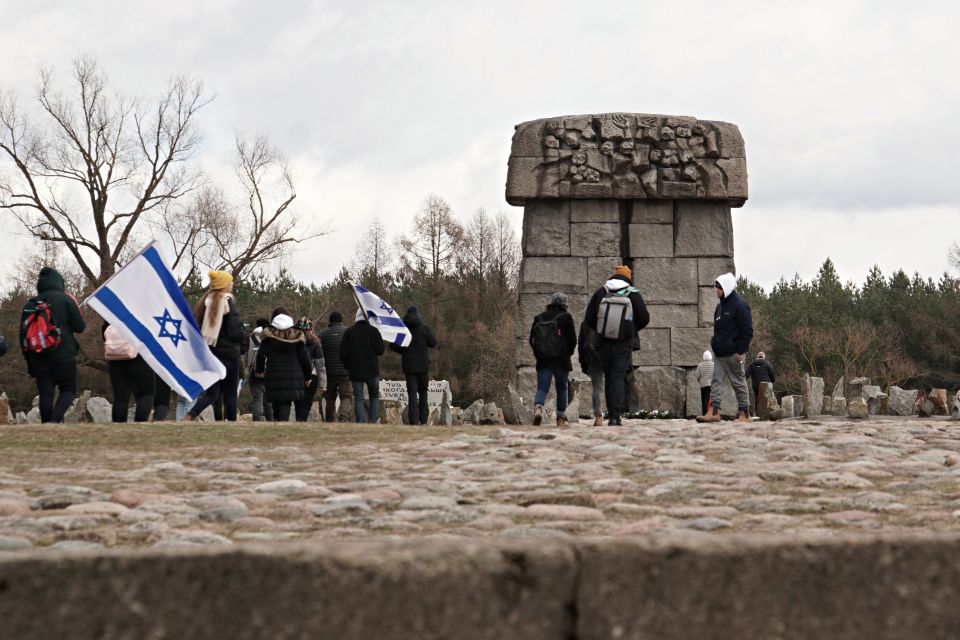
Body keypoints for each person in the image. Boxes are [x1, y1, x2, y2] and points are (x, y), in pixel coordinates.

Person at [583, 265, 650, 426]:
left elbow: (589, 318)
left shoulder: (601, 292)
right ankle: (615, 415)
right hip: (624, 343)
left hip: (604, 342)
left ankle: (610, 414)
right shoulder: (633, 293)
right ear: (628, 278)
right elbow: (644, 318)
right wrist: (631, 329)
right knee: (618, 377)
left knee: (609, 376)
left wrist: (601, 330)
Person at [19, 267, 86, 423]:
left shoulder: (30, 305)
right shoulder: (65, 300)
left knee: (46, 394)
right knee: (68, 390)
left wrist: (30, 363)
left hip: (38, 356)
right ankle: (55, 421)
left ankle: (46, 427)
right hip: (64, 355)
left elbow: (22, 337)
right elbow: (80, 327)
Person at [184, 271, 244, 422]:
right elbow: (236, 331)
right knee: (230, 394)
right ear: (225, 286)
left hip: (211, 353)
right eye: (230, 282)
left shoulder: (205, 302)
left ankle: (190, 415)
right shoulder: (227, 302)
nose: (232, 284)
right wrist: (242, 340)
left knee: (212, 394)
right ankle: (231, 422)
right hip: (229, 354)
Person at [697, 272, 753, 423]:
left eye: (719, 287)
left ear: (727, 287)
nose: (716, 290)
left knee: (738, 383)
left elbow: (747, 330)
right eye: (716, 287)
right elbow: (718, 328)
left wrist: (741, 350)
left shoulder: (740, 305)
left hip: (734, 353)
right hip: (720, 353)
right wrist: (714, 342)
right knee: (715, 382)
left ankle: (745, 415)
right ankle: (714, 412)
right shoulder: (720, 306)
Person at [255, 313, 313, 422]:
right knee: (285, 403)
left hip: (273, 376)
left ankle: (278, 422)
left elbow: (261, 355)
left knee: (276, 402)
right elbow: (304, 359)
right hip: (293, 378)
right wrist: (308, 376)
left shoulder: (268, 338)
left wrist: (260, 370)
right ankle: (282, 423)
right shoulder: (298, 338)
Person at [530, 293, 576, 426]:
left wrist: (538, 353)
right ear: (564, 305)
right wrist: (568, 353)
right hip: (562, 360)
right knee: (562, 388)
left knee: (542, 388)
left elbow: (531, 340)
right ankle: (560, 418)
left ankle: (538, 408)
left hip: (544, 360)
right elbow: (572, 340)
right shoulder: (566, 317)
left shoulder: (539, 317)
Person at [389, 305, 437, 425]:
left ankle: (414, 420)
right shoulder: (424, 329)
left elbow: (393, 346)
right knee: (423, 393)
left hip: (409, 367)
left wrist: (404, 351)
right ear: (417, 314)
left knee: (412, 394)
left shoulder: (403, 330)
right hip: (423, 366)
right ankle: (423, 419)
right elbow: (433, 343)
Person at [102, 322, 155, 422]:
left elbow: (104, 332)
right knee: (145, 394)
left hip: (115, 360)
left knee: (120, 398)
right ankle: (140, 424)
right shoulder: (141, 314)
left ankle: (118, 426)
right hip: (139, 359)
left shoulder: (112, 312)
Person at [340, 308, 385, 423]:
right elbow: (380, 350)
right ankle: (373, 420)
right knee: (374, 396)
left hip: (355, 370)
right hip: (372, 370)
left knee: (358, 398)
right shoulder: (374, 331)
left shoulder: (349, 332)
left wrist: (348, 367)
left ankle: (361, 421)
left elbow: (343, 353)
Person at [320, 311, 353, 422]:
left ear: (330, 321)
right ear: (341, 320)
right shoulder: (348, 332)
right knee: (346, 396)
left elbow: (319, 354)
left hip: (329, 373)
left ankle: (330, 420)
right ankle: (343, 417)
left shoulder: (323, 334)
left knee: (330, 398)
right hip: (345, 371)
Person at [294, 317, 326, 422]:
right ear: (310, 330)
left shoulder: (292, 341)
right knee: (307, 402)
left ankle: (299, 421)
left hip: (296, 375)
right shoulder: (315, 343)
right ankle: (301, 421)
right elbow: (320, 366)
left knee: (298, 401)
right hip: (312, 376)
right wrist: (322, 384)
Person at [577, 318, 604, 426]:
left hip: (593, 359)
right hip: (609, 356)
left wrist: (583, 364)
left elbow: (581, 345)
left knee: (597, 388)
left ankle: (598, 417)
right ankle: (615, 415)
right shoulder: (609, 318)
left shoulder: (586, 323)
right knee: (614, 385)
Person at [246, 318, 272, 421]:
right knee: (269, 401)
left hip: (255, 373)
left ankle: (257, 421)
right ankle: (272, 422)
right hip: (269, 372)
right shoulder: (270, 337)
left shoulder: (250, 338)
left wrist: (247, 370)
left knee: (257, 398)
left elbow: (246, 355)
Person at [696, 351, 714, 415]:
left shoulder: (700, 365)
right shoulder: (713, 365)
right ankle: (707, 413)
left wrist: (700, 382)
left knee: (703, 400)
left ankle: (704, 413)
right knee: (708, 400)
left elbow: (697, 375)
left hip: (703, 385)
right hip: (710, 385)